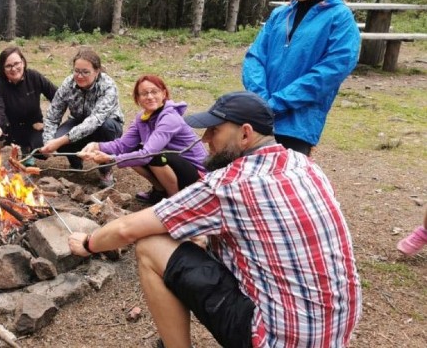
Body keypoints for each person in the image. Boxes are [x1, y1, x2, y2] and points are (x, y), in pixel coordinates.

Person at [68, 91, 361, 347]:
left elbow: (127, 228)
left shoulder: (229, 184)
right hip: (334, 331)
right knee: (196, 237)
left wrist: (89, 243)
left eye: (214, 131)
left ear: (245, 134)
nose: (205, 139)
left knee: (149, 245)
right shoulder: (304, 165)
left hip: (274, 338)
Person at [243, 0, 360, 156]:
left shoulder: (340, 19)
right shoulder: (280, 14)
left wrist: (276, 104)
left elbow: (330, 72)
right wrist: (261, 101)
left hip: (297, 124)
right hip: (259, 118)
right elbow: (255, 57)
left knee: (284, 182)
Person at [79, 75, 207, 204]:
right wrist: (97, 146)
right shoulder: (142, 117)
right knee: (133, 151)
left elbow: (148, 154)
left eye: (154, 92)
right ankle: (160, 190)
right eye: (144, 94)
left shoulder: (170, 118)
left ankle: (174, 200)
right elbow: (123, 145)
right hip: (174, 165)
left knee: (155, 155)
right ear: (138, 99)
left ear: (164, 93)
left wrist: (111, 158)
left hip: (198, 174)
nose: (150, 97)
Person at [40, 49, 124, 188]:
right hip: (78, 120)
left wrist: (60, 141)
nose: (79, 76)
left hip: (106, 125)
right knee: (56, 137)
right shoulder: (68, 83)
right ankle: (75, 161)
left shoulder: (108, 86)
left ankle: (105, 169)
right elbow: (53, 115)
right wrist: (49, 141)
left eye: (85, 72)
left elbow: (95, 121)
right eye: (76, 71)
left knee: (105, 127)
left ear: (97, 71)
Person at [0, 46, 57, 166]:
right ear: (2, 69)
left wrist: (49, 123)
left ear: (23, 62)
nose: (13, 69)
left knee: (43, 151)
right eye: (8, 66)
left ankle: (27, 150)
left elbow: (58, 98)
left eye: (16, 64)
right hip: (8, 127)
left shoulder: (34, 77)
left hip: (32, 126)